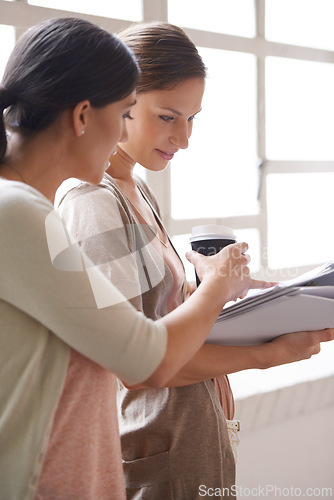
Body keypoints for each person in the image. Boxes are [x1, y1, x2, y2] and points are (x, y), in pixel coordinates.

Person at [56, 22, 334, 500]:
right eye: (168, 117)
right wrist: (266, 355)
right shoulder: (91, 202)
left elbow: (161, 319)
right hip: (157, 458)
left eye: (192, 119)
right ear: (118, 102)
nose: (183, 139)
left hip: (193, 443)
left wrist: (218, 286)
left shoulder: (136, 186)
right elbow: (138, 363)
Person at [0, 18, 272, 500]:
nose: (181, 137)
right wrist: (221, 290)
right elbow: (143, 360)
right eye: (126, 110)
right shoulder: (24, 213)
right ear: (84, 116)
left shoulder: (28, 210)